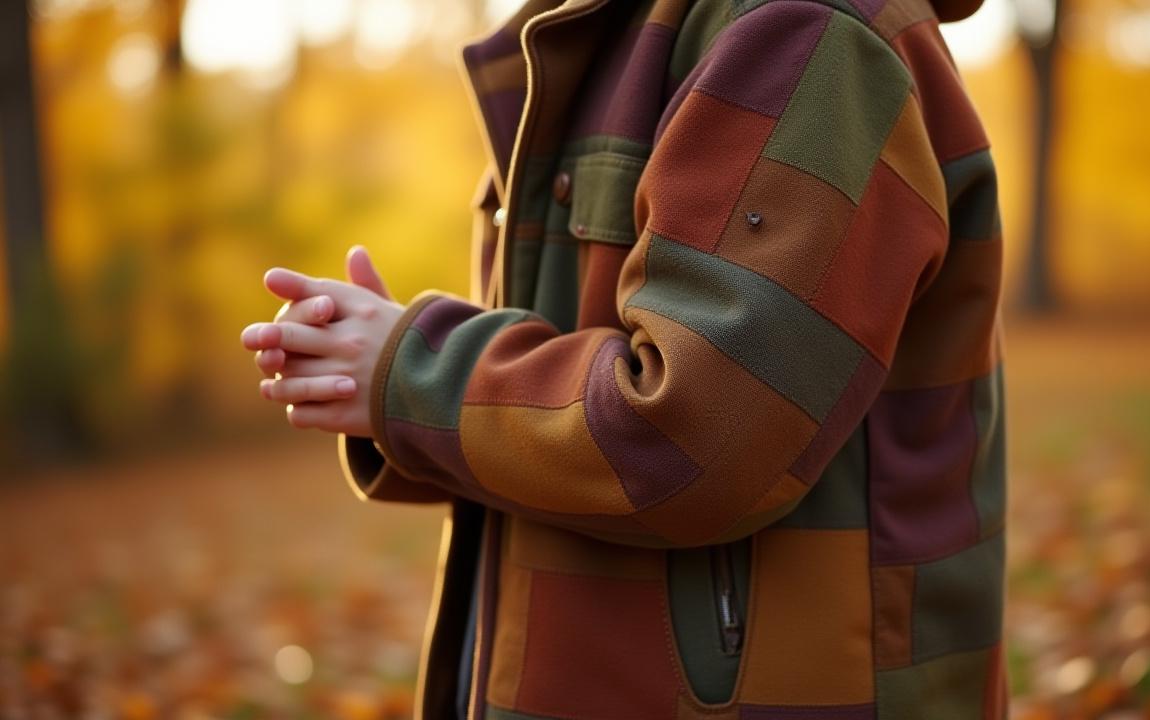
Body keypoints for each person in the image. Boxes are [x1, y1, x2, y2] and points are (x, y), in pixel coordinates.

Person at [241, 0, 1008, 714]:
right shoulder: (602, 31)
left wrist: (416, 371)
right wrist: (385, 374)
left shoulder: (804, 33)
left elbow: (691, 438)